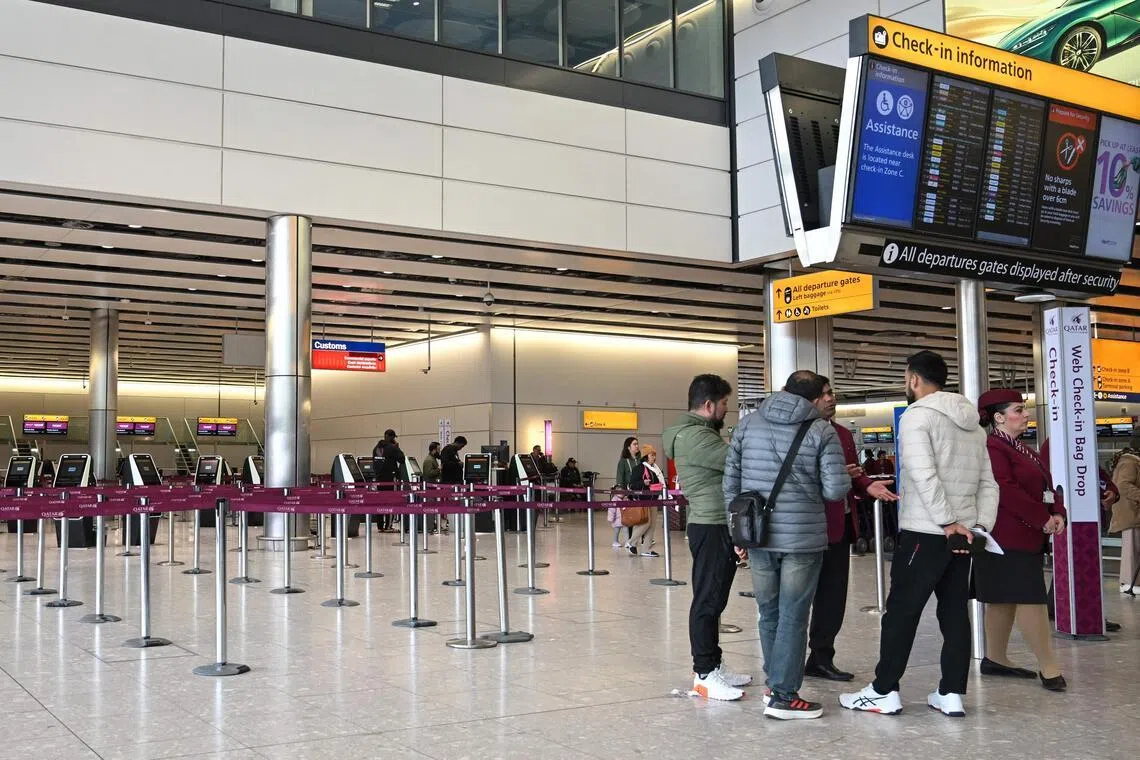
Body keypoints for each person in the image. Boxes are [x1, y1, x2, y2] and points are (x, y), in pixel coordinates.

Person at [841, 350, 998, 719]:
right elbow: (988, 484)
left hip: (926, 532)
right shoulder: (974, 425)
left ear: (913, 379)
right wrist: (977, 527)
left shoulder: (916, 418)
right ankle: (951, 693)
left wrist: (945, 522)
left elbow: (924, 475)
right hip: (964, 535)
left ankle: (883, 690)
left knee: (901, 613)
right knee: (954, 612)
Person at [724, 371, 850, 720]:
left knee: (770, 610)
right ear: (812, 398)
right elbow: (835, 490)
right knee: (794, 615)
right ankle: (784, 695)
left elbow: (730, 479)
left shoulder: (749, 424)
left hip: (758, 534)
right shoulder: (822, 430)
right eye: (825, 393)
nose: (829, 399)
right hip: (801, 537)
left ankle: (773, 682)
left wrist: (737, 530)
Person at [664, 373, 750, 701]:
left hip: (716, 524)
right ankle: (704, 673)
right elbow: (736, 462)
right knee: (708, 600)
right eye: (725, 403)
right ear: (709, 404)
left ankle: (714, 664)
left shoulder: (702, 433)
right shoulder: (695, 438)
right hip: (710, 525)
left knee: (715, 599)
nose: (727, 410)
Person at [974, 389, 1067, 692]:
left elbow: (1047, 485)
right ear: (998, 418)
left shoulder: (1022, 448)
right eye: (1018, 410)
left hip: (1024, 533)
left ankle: (995, 658)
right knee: (1030, 598)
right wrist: (1042, 518)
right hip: (1004, 536)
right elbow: (1006, 490)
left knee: (1004, 598)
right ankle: (1049, 667)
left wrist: (1057, 511)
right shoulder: (992, 447)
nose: (1026, 414)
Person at [806, 377, 898, 683]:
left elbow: (853, 473)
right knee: (796, 596)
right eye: (824, 395)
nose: (831, 398)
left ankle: (821, 656)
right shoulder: (799, 434)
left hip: (840, 524)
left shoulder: (843, 434)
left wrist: (867, 483)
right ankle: (787, 659)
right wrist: (834, 473)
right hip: (806, 526)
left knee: (832, 596)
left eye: (832, 393)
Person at [624, 444, 664, 557]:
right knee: (645, 523)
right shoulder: (639, 469)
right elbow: (631, 485)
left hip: (653, 500)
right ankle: (631, 542)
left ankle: (646, 549)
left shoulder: (655, 469)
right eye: (652, 455)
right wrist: (643, 483)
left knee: (652, 526)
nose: (654, 457)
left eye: (655, 455)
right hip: (643, 500)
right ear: (646, 456)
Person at [1110, 443, 1140, 594]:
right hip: (1130, 512)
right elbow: (1123, 485)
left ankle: (1132, 582)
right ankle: (1128, 583)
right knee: (1131, 549)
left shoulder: (1131, 461)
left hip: (1132, 511)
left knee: (1134, 548)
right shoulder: (1130, 462)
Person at [611, 437, 641, 547]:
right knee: (629, 517)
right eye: (635, 444)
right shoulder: (623, 462)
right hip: (628, 493)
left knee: (640, 516)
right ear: (628, 447)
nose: (637, 446)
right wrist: (622, 494)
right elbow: (620, 479)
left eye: (637, 444)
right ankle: (629, 540)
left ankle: (638, 538)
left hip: (640, 492)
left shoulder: (640, 460)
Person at [372, 429, 405, 531]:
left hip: (379, 479)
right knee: (390, 502)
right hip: (390, 479)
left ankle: (380, 526)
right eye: (393, 437)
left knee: (380, 502)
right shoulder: (392, 448)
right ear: (390, 437)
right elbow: (402, 459)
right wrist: (397, 448)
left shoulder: (376, 448)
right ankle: (388, 526)